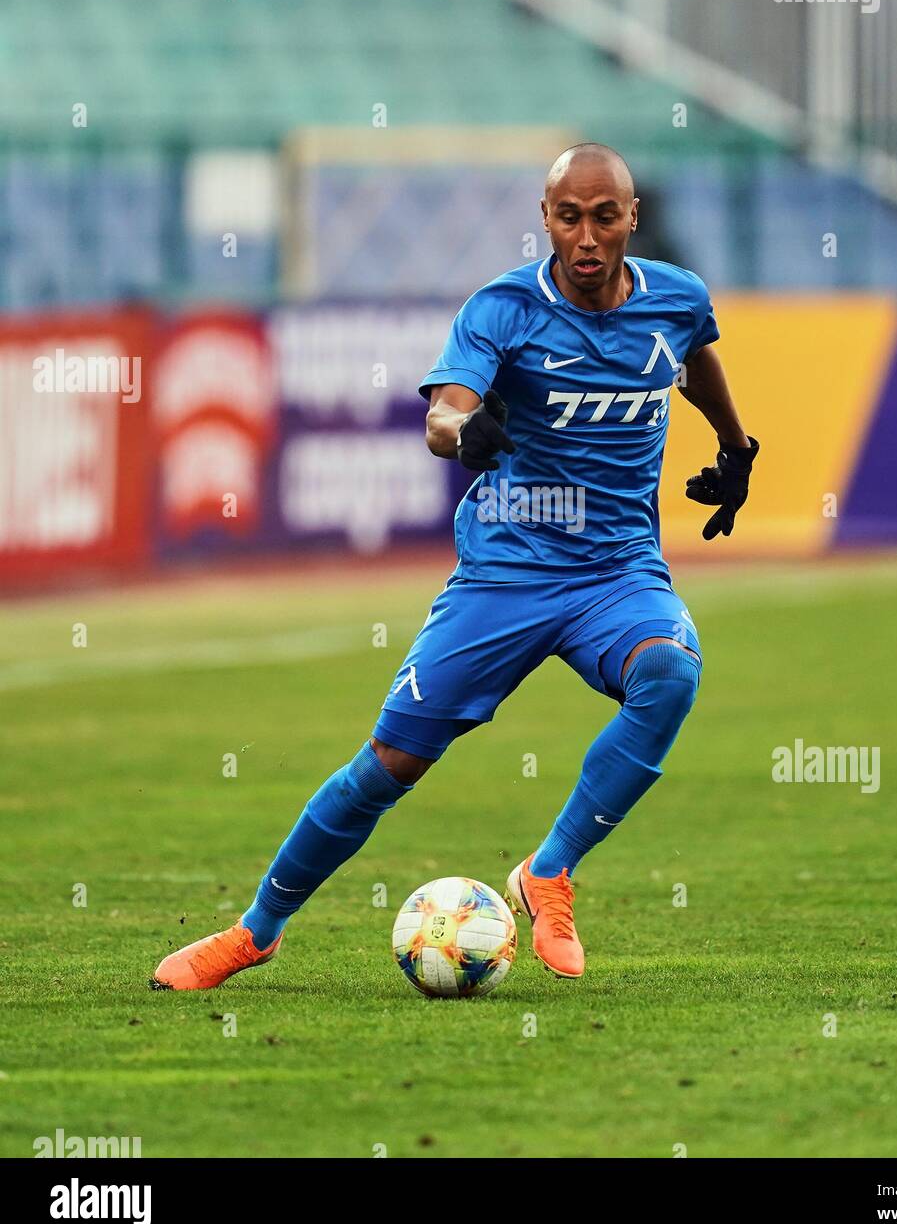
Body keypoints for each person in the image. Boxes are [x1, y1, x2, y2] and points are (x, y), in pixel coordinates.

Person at [152, 142, 758, 990]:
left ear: (632, 220)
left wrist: (736, 446)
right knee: (387, 767)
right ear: (545, 220)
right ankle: (256, 930)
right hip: (506, 574)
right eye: (569, 217)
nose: (587, 236)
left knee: (670, 674)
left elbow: (695, 357)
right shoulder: (503, 310)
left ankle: (548, 871)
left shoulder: (677, 299)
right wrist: (461, 434)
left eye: (605, 217)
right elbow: (448, 411)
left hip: (618, 572)